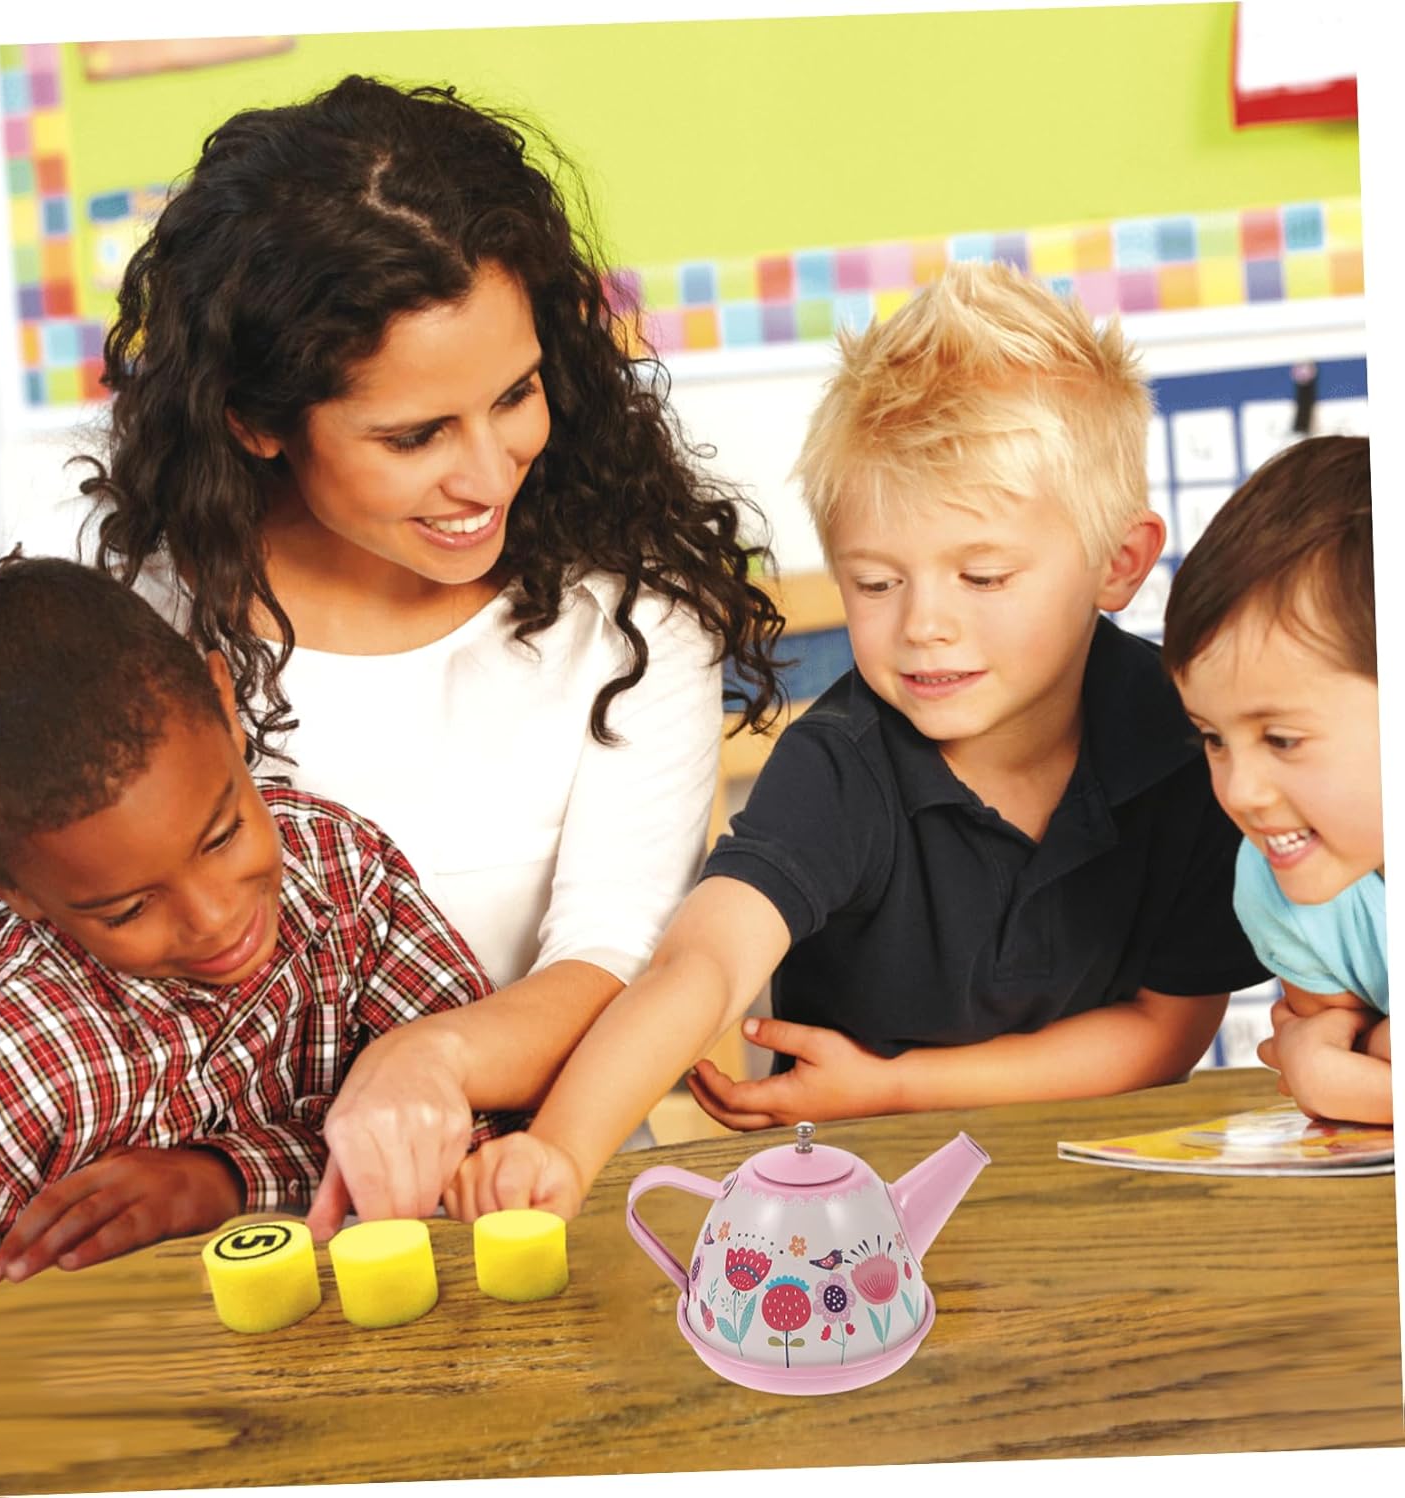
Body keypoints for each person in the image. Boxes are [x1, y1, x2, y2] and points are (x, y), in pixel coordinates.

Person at [0, 76, 784, 1223]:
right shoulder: (141, 633)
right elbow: (0, 963)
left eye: (516, 394)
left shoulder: (628, 620)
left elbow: (618, 957)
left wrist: (426, 1057)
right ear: (256, 419)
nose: (487, 475)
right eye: (414, 435)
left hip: (511, 1206)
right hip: (193, 1242)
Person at [442, 261, 1270, 1222]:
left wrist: (895, 1084)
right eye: (876, 584)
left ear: (1118, 562)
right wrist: (558, 1147)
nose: (924, 626)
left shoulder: (1191, 743)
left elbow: (1164, 1035)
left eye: (984, 577)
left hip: (1111, 1194)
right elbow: (702, 965)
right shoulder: (841, 766)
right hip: (860, 1216)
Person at [0, 556, 523, 1280]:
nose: (213, 918)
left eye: (222, 837)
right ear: (6, 888)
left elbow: (486, 1125)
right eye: (129, 909)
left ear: (224, 705)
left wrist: (228, 1178)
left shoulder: (344, 874)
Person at [1163, 436, 1389, 1124]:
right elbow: (1358, 1047)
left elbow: (1348, 1066)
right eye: (1213, 739)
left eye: (1281, 739)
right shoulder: (1274, 882)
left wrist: (1328, 1077)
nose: (1240, 793)